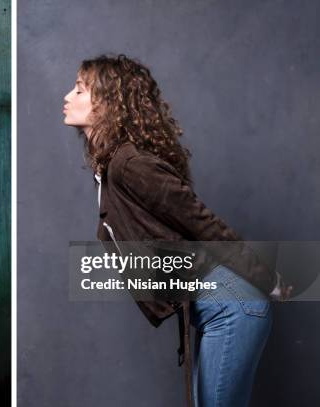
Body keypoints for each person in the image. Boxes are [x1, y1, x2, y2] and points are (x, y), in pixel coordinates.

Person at [62, 54, 290, 407]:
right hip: (218, 306)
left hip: (232, 305)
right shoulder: (110, 168)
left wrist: (267, 279)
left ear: (108, 103)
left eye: (79, 90)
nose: (67, 97)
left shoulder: (129, 164)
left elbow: (202, 224)